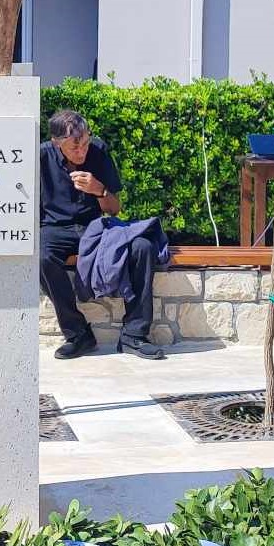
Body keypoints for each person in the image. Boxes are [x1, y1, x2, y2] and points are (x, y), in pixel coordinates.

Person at [38, 109, 163, 361]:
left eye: (84, 142)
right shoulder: (40, 156)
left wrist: (99, 190)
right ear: (56, 142)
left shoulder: (98, 150)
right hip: (54, 229)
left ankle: (134, 335)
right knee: (41, 257)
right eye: (75, 147)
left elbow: (114, 207)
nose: (82, 151)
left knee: (142, 246)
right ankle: (78, 334)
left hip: (95, 228)